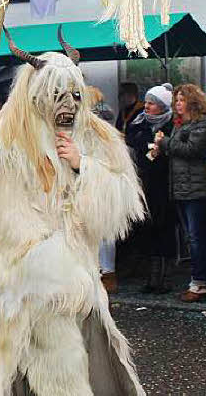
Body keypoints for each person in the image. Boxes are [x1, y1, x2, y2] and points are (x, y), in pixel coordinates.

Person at [0, 29, 146, 395]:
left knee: (89, 361)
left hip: (81, 279)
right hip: (26, 284)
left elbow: (124, 204)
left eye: (74, 96)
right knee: (31, 366)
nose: (66, 106)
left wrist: (84, 166)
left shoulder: (95, 135)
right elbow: (7, 221)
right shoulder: (3, 144)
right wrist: (54, 262)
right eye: (56, 96)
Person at [157, 84, 206, 302]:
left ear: (192, 102)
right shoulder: (180, 124)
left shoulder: (204, 124)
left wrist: (164, 142)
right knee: (191, 237)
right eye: (176, 101)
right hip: (183, 188)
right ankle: (198, 279)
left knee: (197, 238)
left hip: (198, 189)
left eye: (181, 100)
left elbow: (192, 150)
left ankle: (201, 282)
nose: (177, 105)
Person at [125, 82, 177, 293]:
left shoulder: (171, 124)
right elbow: (133, 140)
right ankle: (150, 274)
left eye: (151, 104)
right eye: (146, 102)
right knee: (147, 227)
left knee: (163, 227)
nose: (146, 107)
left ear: (162, 107)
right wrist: (150, 145)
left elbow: (168, 148)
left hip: (164, 183)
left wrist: (152, 145)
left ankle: (163, 276)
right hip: (143, 181)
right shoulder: (139, 123)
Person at [89, 86, 119, 293]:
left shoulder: (105, 130)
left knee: (105, 232)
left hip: (103, 183)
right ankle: (97, 271)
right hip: (87, 183)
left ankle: (108, 272)